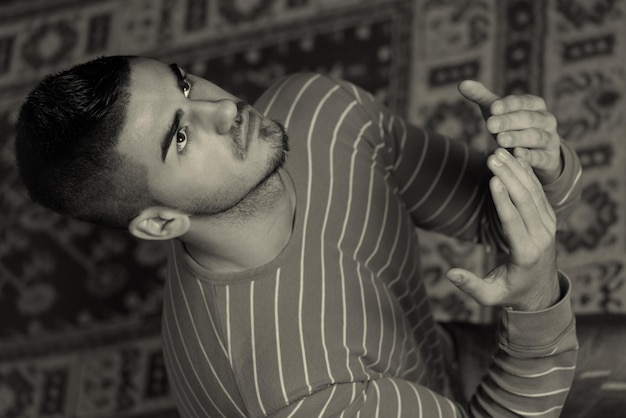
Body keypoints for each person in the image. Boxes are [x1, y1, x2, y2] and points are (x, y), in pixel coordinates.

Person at [15, 56, 582, 417]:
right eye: (180, 138)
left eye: (185, 85)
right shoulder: (294, 397)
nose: (223, 110)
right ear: (161, 223)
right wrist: (534, 301)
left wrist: (540, 162)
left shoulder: (319, 111)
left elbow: (490, 215)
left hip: (429, 359)